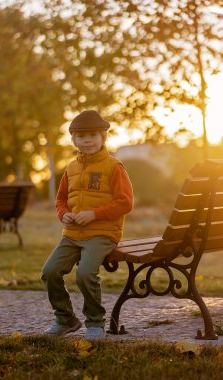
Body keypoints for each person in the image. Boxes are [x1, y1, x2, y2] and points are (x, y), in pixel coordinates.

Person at [41, 110, 134, 339]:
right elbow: (61, 199)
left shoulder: (114, 167)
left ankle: (95, 323)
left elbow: (126, 202)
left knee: (84, 273)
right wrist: (64, 215)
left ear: (103, 137)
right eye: (81, 136)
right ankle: (66, 320)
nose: (87, 140)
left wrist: (94, 214)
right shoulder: (71, 168)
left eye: (93, 134)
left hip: (103, 232)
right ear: (74, 140)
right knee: (50, 272)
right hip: (72, 233)